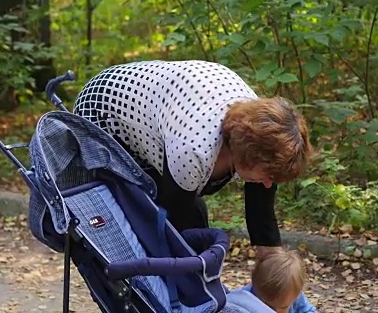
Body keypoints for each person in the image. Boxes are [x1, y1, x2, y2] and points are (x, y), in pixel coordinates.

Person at [73, 60, 313, 258]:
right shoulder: (193, 149)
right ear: (245, 156)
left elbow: (263, 218)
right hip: (104, 114)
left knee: (195, 213)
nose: (270, 183)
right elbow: (172, 220)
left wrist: (276, 271)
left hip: (174, 107)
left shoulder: (264, 136)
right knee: (174, 218)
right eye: (268, 176)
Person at [226, 249, 318, 313]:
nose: (275, 311)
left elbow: (308, 310)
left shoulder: (294, 296)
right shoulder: (244, 300)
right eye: (268, 306)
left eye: (283, 307)